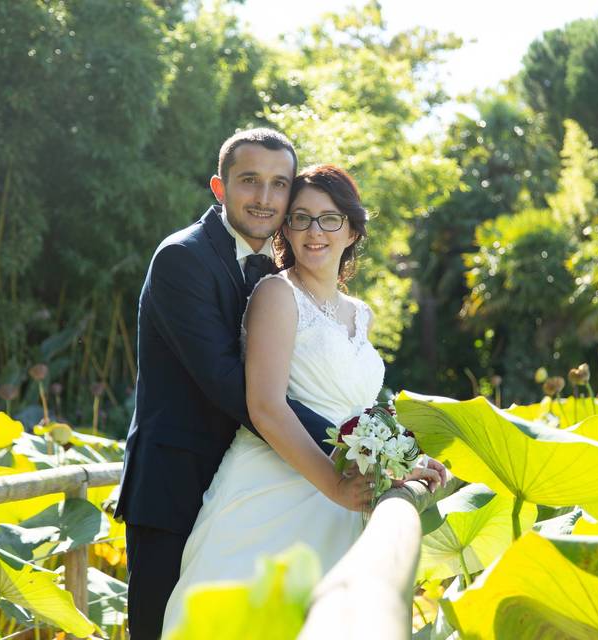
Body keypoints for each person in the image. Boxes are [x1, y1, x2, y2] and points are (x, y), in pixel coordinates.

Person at [160, 164, 443, 634]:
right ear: (285, 229)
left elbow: (362, 415)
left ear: (352, 229)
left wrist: (403, 461)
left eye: (329, 219)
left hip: (344, 495)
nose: (315, 232)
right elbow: (266, 407)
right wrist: (333, 484)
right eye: (301, 218)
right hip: (274, 488)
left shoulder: (360, 312)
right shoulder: (276, 294)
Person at [115, 129, 345, 639]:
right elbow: (228, 382)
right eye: (250, 181)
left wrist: (384, 438)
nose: (265, 198)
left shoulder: (279, 272)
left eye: (278, 184)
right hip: (176, 485)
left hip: (249, 487)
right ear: (220, 188)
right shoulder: (182, 258)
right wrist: (353, 443)